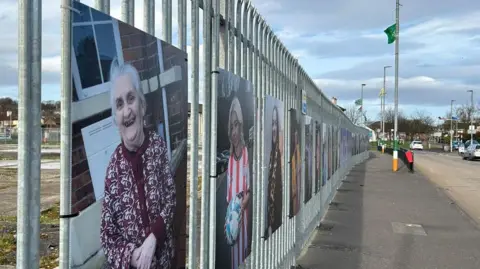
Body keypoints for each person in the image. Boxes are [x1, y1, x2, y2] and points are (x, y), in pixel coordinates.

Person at [100, 58, 177, 269]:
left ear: (141, 105)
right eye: (119, 104)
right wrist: (132, 257)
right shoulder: (113, 171)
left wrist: (154, 236)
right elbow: (107, 235)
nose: (127, 111)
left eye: (131, 98)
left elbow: (170, 198)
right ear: (115, 118)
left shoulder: (158, 148)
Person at [225, 96, 251, 269]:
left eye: (237, 125)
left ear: (241, 126)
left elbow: (249, 189)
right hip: (233, 219)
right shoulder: (229, 159)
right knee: (234, 256)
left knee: (243, 254)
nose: (234, 131)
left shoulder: (247, 155)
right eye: (231, 126)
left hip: (243, 214)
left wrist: (241, 207)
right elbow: (228, 195)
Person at [265, 106, 282, 238]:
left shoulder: (278, 154)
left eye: (276, 123)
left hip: (275, 224)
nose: (274, 128)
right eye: (273, 124)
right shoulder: (271, 154)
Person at [290, 121, 301, 216]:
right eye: (294, 135)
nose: (295, 138)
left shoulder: (297, 152)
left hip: (296, 190)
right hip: (293, 190)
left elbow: (298, 170)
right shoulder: (293, 152)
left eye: (296, 135)